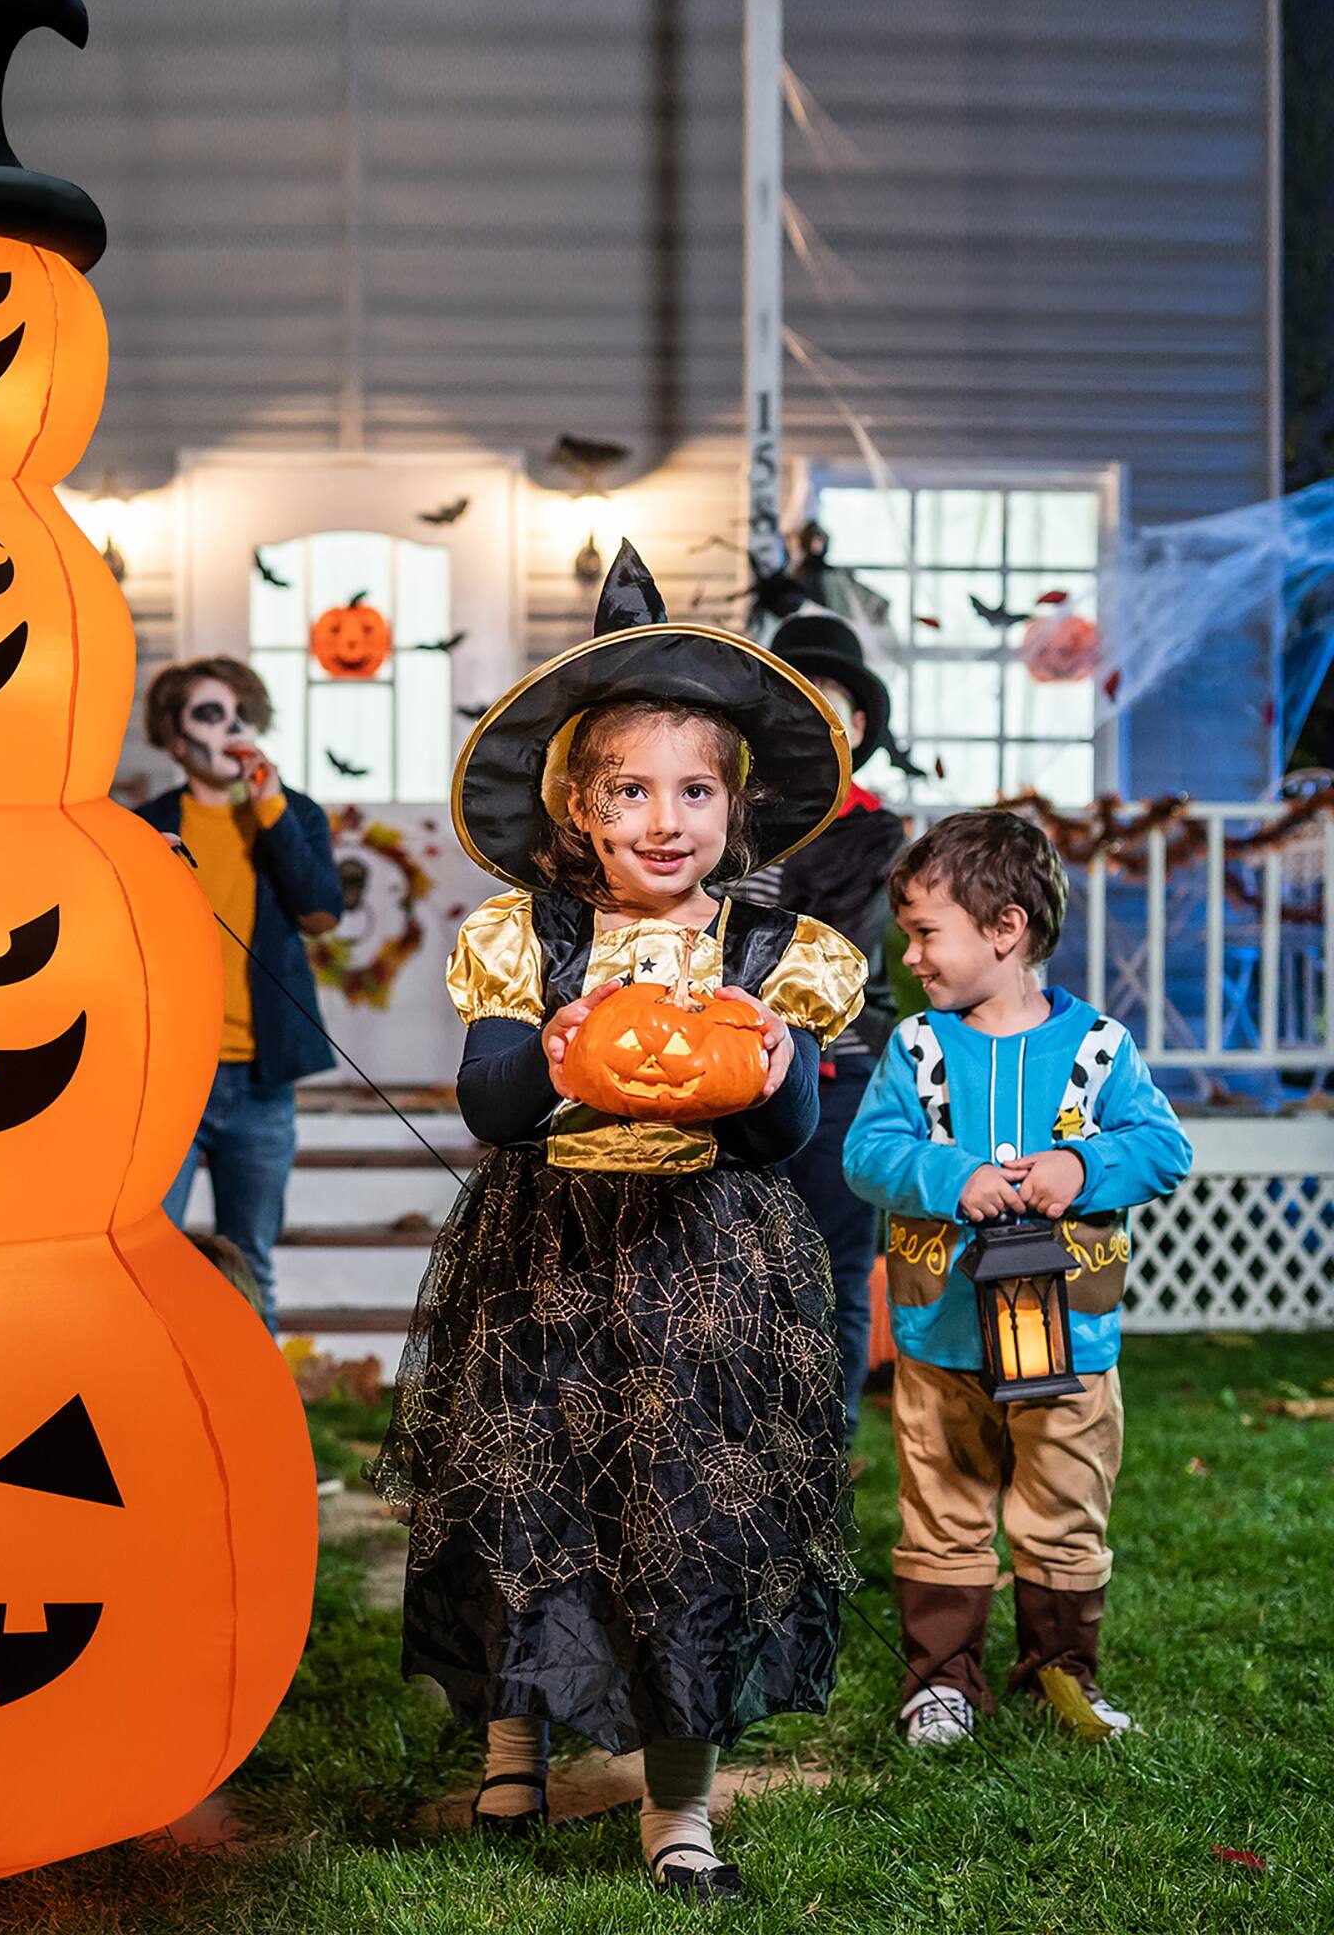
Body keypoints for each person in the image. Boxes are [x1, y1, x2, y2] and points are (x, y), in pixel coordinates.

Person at [373, 542, 868, 1906]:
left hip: (707, 1269)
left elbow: (780, 1142)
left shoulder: (774, 956)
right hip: (545, 1260)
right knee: (527, 1501)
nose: (664, 818)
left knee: (687, 1526)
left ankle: (678, 1805)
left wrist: (778, 1072)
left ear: (734, 805)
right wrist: (550, 1055)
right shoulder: (526, 939)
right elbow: (487, 1103)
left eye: (693, 790)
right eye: (630, 791)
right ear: (579, 809)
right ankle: (513, 1750)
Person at [842, 810, 1191, 1749]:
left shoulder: (1101, 1049)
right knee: (942, 1507)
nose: (912, 954)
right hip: (941, 1340)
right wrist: (948, 1177)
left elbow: (1164, 1148)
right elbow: (867, 1154)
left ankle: (1061, 1674)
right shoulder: (917, 1048)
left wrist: (1083, 1166)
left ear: (1005, 929)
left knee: (1065, 1506)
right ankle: (942, 1683)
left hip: (1071, 1344)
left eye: (927, 932)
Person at [130, 657, 343, 1323]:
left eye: (241, 715)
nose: (232, 728)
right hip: (169, 1079)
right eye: (210, 714)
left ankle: (254, 1389)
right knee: (144, 1255)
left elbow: (320, 913)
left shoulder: (292, 813)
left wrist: (271, 809)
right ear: (175, 739)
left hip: (260, 1081)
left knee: (250, 1258)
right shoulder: (144, 825)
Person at [760, 611, 907, 1444]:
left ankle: (824, 1446)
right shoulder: (722, 815)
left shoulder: (872, 830)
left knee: (835, 1266)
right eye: (796, 699)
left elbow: (826, 954)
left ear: (854, 728)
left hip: (836, 1072)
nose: (815, 718)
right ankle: (745, 1447)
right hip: (731, 1069)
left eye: (831, 704)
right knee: (745, 1263)